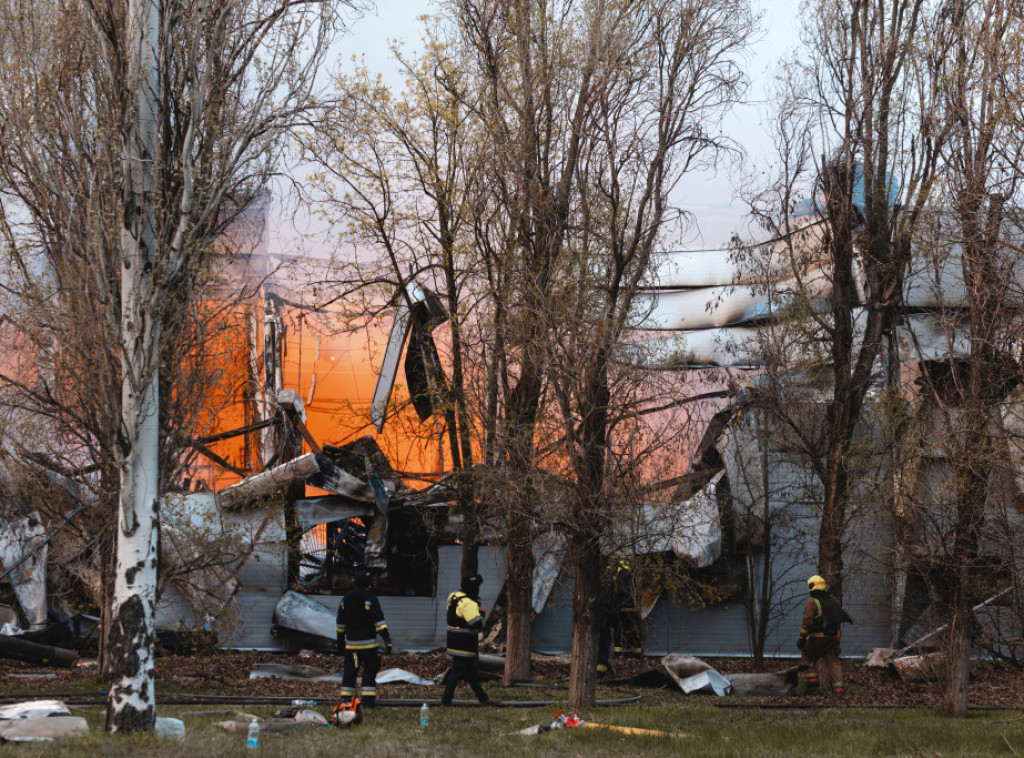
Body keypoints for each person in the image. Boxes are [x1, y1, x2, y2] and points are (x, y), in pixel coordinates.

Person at [440, 574, 502, 708]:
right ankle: (445, 703)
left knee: (472, 673)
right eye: (478, 586)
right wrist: (482, 613)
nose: (479, 589)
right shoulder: (469, 603)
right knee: (456, 673)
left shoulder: (454, 596)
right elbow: (477, 624)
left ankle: (484, 699)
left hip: (456, 641)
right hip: (465, 644)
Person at [336, 568, 392, 709]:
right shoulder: (370, 598)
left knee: (349, 673)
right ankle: (368, 703)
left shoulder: (346, 599)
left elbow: (340, 624)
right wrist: (387, 640)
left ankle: (345, 702)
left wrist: (340, 643)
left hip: (351, 647)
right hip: (368, 648)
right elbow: (379, 622)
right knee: (369, 672)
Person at [797, 574, 853, 694]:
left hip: (819, 637)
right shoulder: (832, 600)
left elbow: (807, 620)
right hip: (834, 638)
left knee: (807, 651)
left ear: (811, 587)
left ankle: (812, 679)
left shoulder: (812, 602)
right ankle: (838, 688)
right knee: (833, 661)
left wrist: (802, 638)